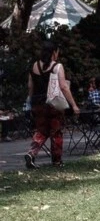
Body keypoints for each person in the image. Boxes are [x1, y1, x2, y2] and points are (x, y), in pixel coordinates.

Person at [24, 41, 80, 169]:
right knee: (56, 132)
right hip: (53, 104)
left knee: (42, 130)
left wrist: (31, 103)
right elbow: (63, 87)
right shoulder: (57, 66)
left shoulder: (34, 65)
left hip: (38, 103)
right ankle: (57, 161)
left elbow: (30, 86)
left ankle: (31, 153)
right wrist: (74, 105)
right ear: (54, 52)